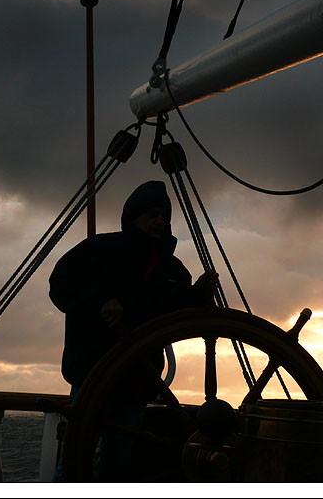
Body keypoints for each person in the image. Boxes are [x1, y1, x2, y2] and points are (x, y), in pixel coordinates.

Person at [49, 180, 218, 481]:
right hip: (93, 377)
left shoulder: (173, 270)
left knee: (116, 466)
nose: (159, 221)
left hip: (137, 385)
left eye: (163, 215)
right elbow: (60, 285)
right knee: (76, 462)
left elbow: (181, 313)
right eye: (152, 214)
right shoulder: (98, 250)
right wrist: (101, 299)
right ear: (133, 217)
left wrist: (200, 294)